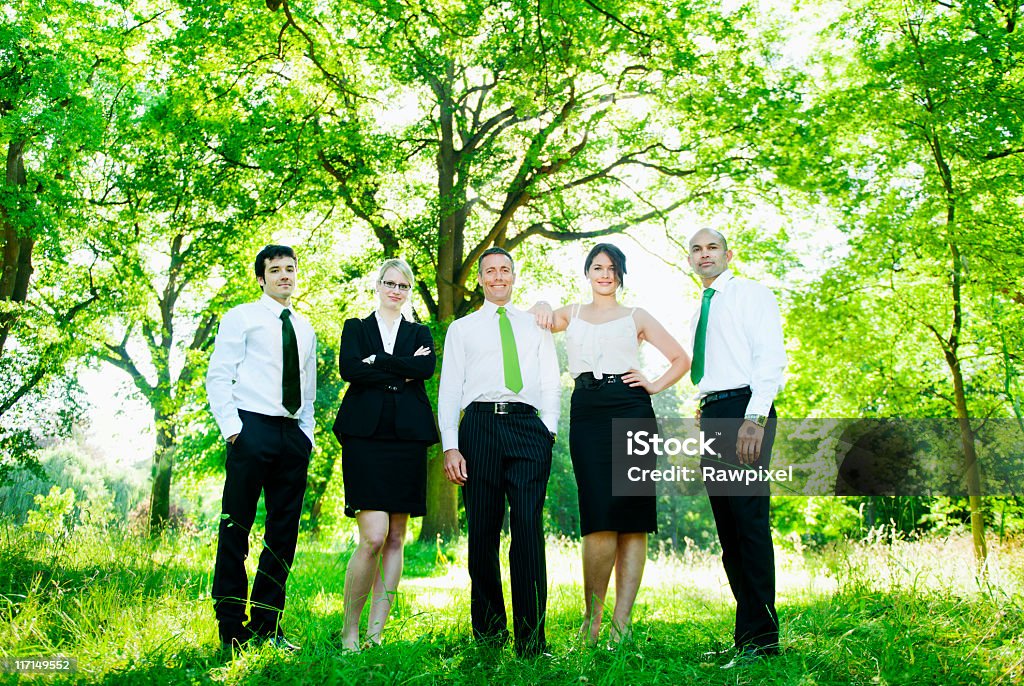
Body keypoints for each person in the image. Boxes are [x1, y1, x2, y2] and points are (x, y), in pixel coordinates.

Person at [531, 243, 689, 646]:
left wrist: (652, 385)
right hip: (587, 411)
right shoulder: (575, 312)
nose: (605, 274)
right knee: (599, 514)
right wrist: (544, 301)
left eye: (612, 268)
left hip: (632, 408)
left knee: (633, 518)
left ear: (621, 275)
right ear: (587, 272)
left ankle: (621, 623)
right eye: (598, 267)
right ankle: (592, 620)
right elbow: (542, 319)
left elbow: (680, 358)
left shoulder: (636, 315)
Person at [437, 246, 560, 658]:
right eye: (490, 271)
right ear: (480, 279)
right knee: (482, 534)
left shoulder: (535, 324)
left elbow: (550, 379)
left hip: (528, 429)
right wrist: (451, 445)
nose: (498, 276)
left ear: (514, 275)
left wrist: (550, 431)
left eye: (505, 269)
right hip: (480, 429)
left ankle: (532, 641)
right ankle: (489, 636)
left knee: (527, 531)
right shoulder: (462, 329)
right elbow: (450, 389)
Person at [206, 244, 317, 652]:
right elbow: (218, 376)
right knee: (236, 528)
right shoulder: (242, 318)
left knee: (283, 534)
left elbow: (308, 385)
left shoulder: (305, 328)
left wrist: (306, 433)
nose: (284, 275)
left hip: (292, 436)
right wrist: (234, 431)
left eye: (290, 269)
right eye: (275, 270)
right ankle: (231, 626)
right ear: (261, 277)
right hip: (251, 429)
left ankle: (268, 626)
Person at [687, 229, 787, 668]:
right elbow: (712, 368)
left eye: (711, 247)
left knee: (749, 524)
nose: (704, 254)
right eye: (696, 249)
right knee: (728, 531)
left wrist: (755, 417)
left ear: (728, 254)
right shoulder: (699, 308)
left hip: (745, 414)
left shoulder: (751, 294)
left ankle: (763, 642)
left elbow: (771, 357)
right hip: (714, 415)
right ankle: (747, 636)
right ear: (690, 259)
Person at [332, 258, 439, 651]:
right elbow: (350, 370)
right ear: (377, 285)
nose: (396, 290)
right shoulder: (356, 328)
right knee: (373, 537)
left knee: (396, 537)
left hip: (407, 436)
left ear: (409, 291)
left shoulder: (419, 331)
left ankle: (375, 635)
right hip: (365, 436)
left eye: (404, 286)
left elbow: (425, 369)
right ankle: (350, 633)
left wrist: (378, 362)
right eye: (390, 283)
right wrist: (401, 370)